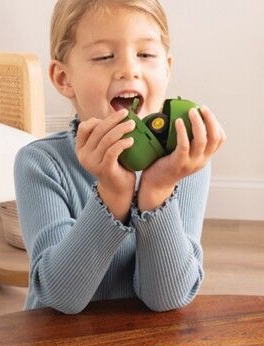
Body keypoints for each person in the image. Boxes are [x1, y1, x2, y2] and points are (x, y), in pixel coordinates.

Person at [14, 0, 225, 314]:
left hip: (144, 341)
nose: (129, 70)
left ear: (166, 68)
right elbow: (59, 298)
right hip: (59, 341)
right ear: (64, 78)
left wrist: (157, 190)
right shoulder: (41, 163)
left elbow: (167, 297)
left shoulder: (185, 163)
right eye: (103, 56)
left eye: (146, 55)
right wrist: (113, 194)